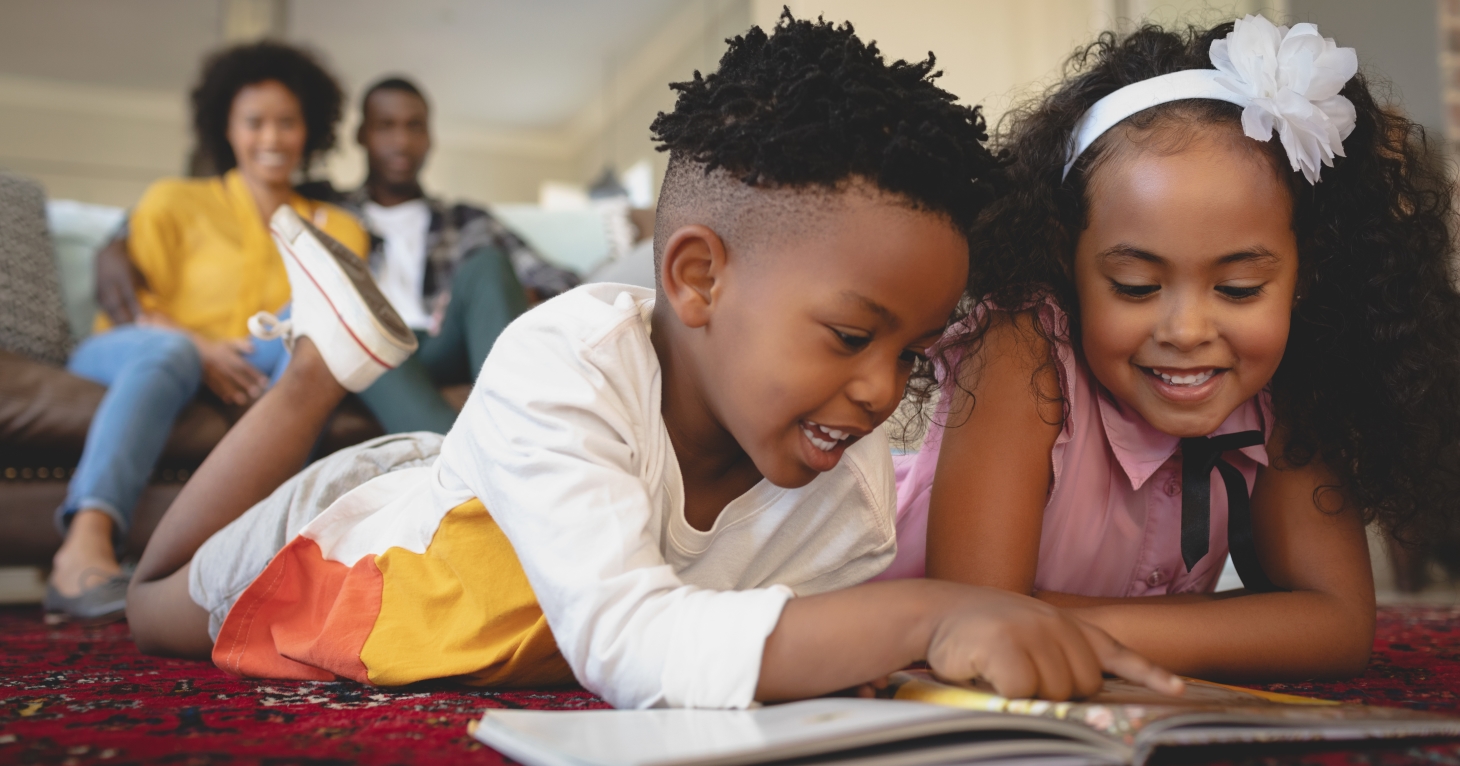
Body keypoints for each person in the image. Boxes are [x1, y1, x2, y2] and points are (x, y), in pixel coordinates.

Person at [123, 14, 1182, 708]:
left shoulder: (847, 491)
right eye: (853, 336)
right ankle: (319, 368)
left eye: (911, 354)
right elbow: (631, 644)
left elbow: (772, 653)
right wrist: (936, 607)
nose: (879, 392)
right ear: (696, 280)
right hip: (362, 567)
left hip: (509, 595)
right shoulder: (565, 359)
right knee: (149, 606)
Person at [883, 17, 1460, 681]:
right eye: (1134, 286)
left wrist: (1050, 622)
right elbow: (979, 619)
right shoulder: (1022, 347)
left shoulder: (1285, 377)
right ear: (1067, 265)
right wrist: (1229, 629)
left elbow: (1336, 625)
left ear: (1307, 277)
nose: (1186, 331)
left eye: (1240, 289)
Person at [45, 42, 368, 622]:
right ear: (227, 127)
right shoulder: (175, 200)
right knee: (169, 351)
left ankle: (255, 561)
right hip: (137, 348)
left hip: (253, 358)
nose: (271, 137)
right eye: (255, 122)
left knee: (311, 353)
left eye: (286, 122)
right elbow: (132, 309)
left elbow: (327, 321)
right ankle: (81, 547)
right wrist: (202, 349)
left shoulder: (338, 225)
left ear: (309, 130)